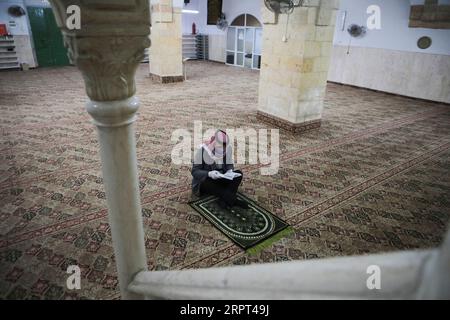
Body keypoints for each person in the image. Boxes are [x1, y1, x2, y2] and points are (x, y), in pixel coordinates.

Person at [191, 130, 248, 210]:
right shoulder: (203, 150)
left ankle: (223, 200)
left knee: (239, 174)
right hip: (206, 180)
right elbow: (194, 171)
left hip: (221, 177)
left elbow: (229, 164)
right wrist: (209, 174)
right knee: (207, 182)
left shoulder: (227, 149)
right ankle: (233, 200)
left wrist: (230, 171)